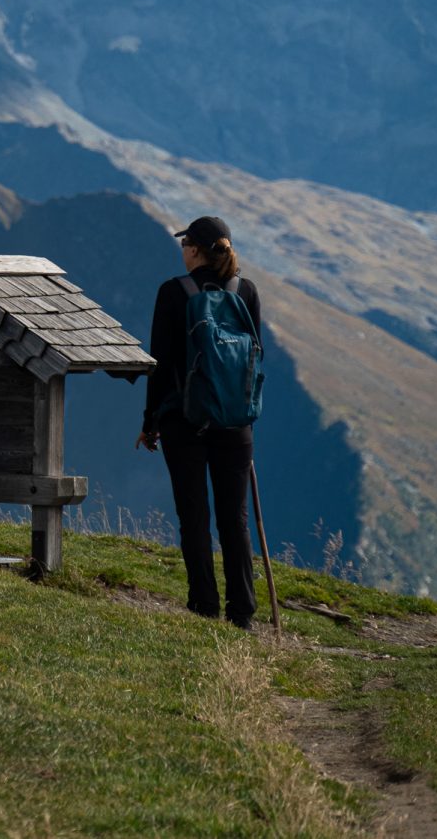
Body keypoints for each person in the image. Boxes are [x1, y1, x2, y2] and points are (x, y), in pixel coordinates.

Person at [135, 215, 263, 628]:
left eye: (185, 243)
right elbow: (254, 358)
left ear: (194, 248)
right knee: (235, 519)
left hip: (184, 421)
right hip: (235, 421)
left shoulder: (174, 292)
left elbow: (163, 361)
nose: (182, 249)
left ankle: (204, 606)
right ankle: (241, 613)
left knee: (194, 516)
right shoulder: (246, 291)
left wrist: (150, 420)